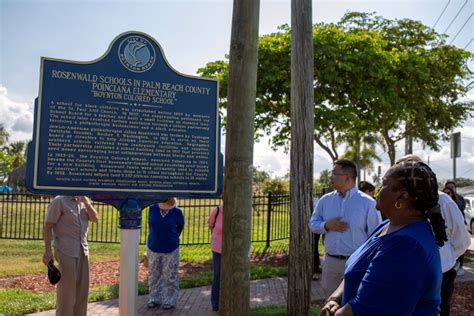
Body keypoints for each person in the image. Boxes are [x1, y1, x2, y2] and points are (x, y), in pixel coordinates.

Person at [321, 160, 447, 316]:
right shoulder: (388, 225)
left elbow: (363, 309)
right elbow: (355, 270)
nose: (378, 189)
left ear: (401, 197)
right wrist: (335, 298)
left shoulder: (406, 247)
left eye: (384, 184)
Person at [399, 156, 470, 316]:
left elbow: (462, 241)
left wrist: (442, 260)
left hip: (440, 276)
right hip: (406, 276)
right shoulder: (398, 201)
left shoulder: (444, 201)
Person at [309, 159, 382, 297]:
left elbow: (377, 236)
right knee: (330, 304)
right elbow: (313, 224)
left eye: (334, 173)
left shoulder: (368, 203)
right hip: (330, 262)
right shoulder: (325, 200)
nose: (331, 177)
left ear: (347, 177)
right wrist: (326, 225)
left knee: (353, 304)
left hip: (356, 263)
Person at [43, 195, 99, 316]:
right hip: (65, 250)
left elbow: (95, 219)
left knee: (82, 291)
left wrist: (87, 203)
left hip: (83, 250)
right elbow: (48, 226)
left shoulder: (84, 201)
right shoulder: (60, 201)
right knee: (67, 292)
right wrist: (48, 251)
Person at [146, 197, 185, 310]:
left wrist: (170, 238)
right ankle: (154, 298)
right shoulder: (152, 208)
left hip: (171, 248)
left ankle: (170, 300)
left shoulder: (177, 212)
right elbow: (151, 225)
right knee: (154, 275)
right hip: (153, 247)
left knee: (170, 276)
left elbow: (180, 227)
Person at [208, 201, 223, 312]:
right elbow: (211, 225)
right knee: (217, 274)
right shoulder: (217, 210)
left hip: (232, 250)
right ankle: (215, 303)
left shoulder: (236, 211)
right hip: (218, 248)